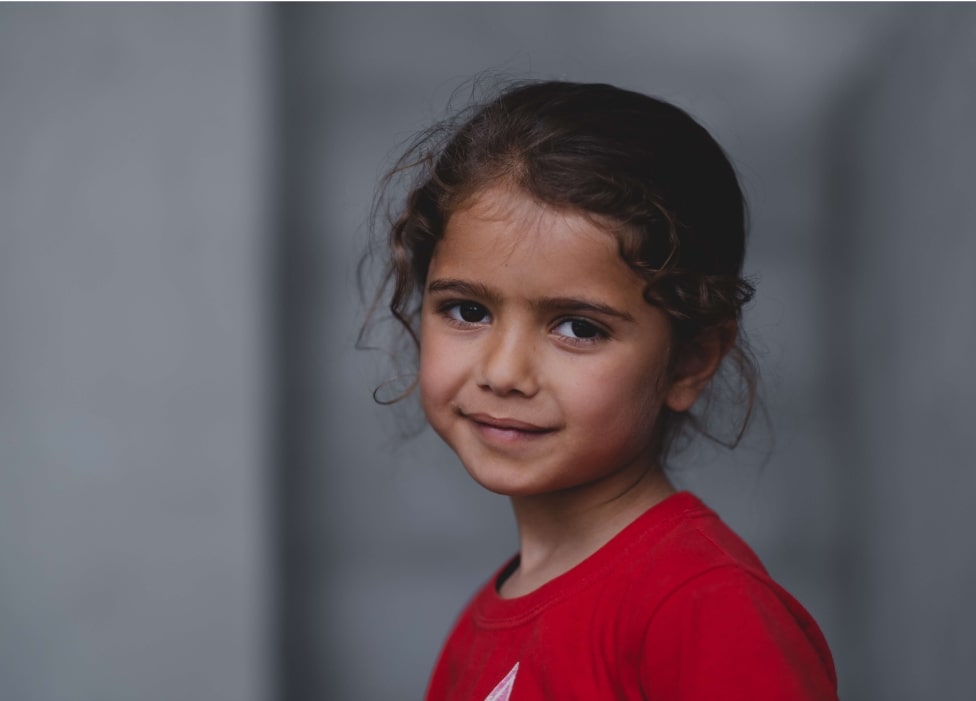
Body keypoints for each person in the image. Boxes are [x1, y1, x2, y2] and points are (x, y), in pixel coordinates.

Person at [369, 80, 838, 700]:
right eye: (467, 311)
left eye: (578, 328)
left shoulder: (703, 608)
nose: (504, 371)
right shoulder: (479, 629)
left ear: (689, 362)